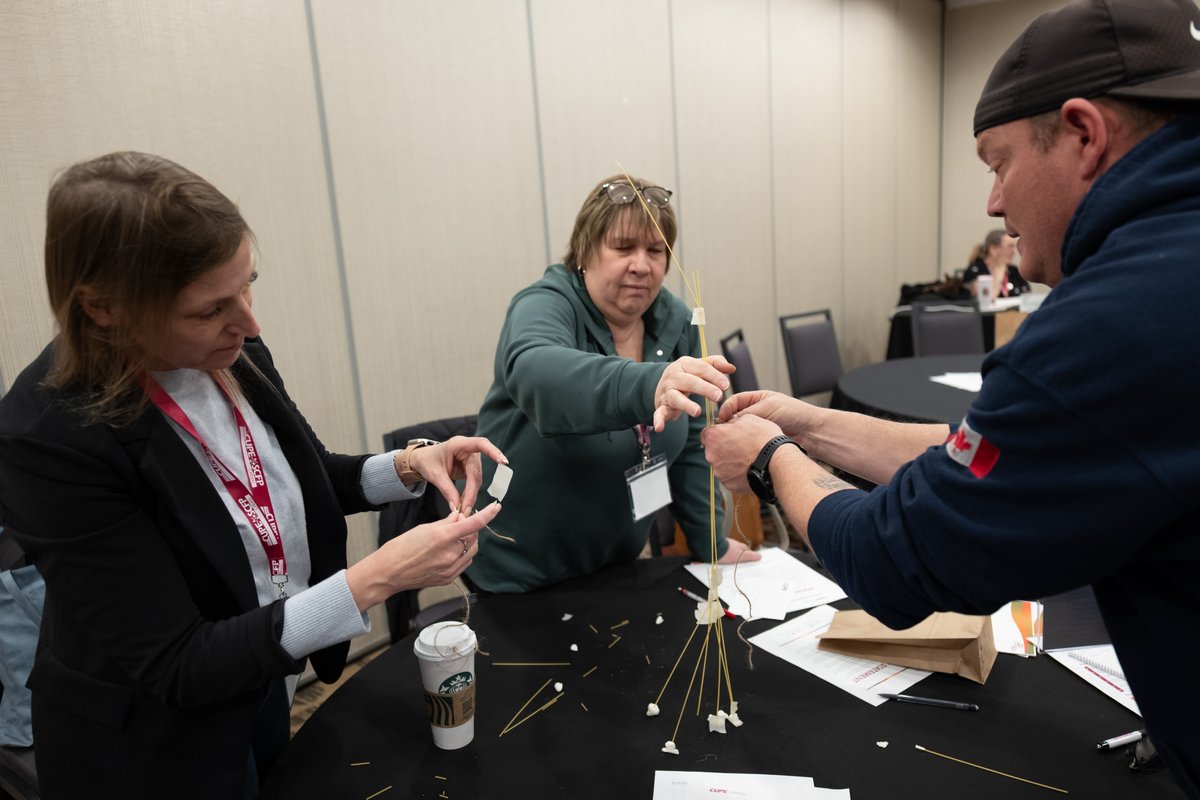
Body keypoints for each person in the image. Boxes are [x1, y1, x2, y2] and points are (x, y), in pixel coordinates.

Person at [699, 0, 1200, 794]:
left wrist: (769, 459)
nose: (994, 204)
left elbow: (894, 562)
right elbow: (989, 458)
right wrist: (810, 425)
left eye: (996, 164)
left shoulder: (1121, 314)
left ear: (1083, 133)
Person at [0, 152, 505, 798]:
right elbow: (177, 662)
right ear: (103, 308)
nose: (249, 321)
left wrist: (408, 467)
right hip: (154, 744)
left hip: (263, 676)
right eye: (211, 308)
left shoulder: (229, 345)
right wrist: (378, 578)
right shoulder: (46, 437)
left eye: (249, 285)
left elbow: (299, 478)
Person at [466, 174, 757, 593]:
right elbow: (538, 372)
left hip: (616, 567)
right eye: (623, 248)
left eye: (656, 251)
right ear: (585, 250)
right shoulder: (545, 304)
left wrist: (710, 542)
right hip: (518, 574)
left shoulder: (677, 325)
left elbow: (696, 442)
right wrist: (650, 384)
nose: (642, 264)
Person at [961, 228, 1030, 298]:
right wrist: (999, 271)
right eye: (1010, 246)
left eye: (1014, 247)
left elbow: (1027, 298)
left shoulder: (1014, 271)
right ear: (993, 249)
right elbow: (985, 300)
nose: (1014, 252)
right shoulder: (976, 271)